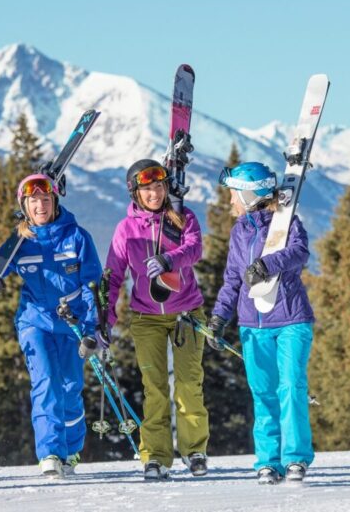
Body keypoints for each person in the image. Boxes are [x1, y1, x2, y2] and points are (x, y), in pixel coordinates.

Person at [0, 173, 102, 478]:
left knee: (70, 388)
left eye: (45, 199)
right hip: (35, 321)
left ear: (55, 201)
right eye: (33, 201)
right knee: (45, 381)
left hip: (72, 323)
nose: (40, 206)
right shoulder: (20, 241)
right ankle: (50, 453)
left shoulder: (77, 237)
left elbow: (93, 286)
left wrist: (91, 329)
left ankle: (71, 450)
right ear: (24, 206)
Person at [208, 161, 315, 485]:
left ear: (250, 195)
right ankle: (268, 461)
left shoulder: (287, 221)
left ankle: (295, 458)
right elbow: (232, 279)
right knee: (263, 393)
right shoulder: (239, 232)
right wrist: (219, 316)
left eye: (234, 194)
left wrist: (267, 264)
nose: (230, 200)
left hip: (291, 318)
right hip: (252, 325)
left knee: (291, 387)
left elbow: (300, 252)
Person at [105, 159, 209, 481]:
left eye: (159, 186)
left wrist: (168, 259)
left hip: (186, 313)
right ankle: (156, 457)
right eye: (147, 188)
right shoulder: (126, 230)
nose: (155, 193)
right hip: (146, 317)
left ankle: (194, 451)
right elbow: (113, 277)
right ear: (135, 193)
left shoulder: (181, 216)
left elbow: (195, 248)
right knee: (155, 388)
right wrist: (105, 320)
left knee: (189, 384)